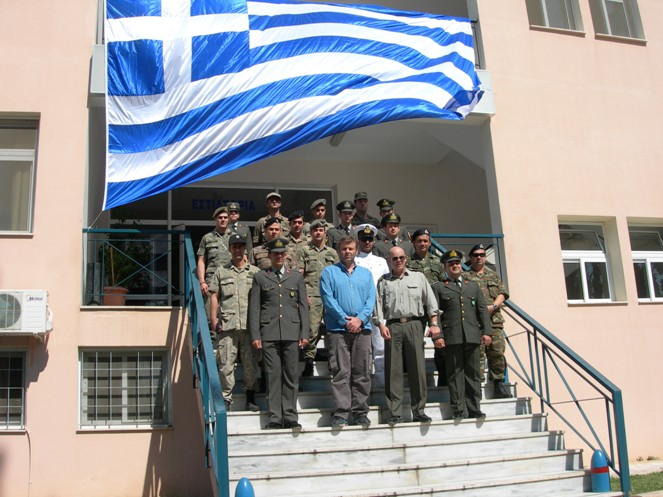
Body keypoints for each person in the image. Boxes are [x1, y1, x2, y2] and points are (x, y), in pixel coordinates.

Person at [249, 237, 310, 429]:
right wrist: (255, 335)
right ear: (269, 255)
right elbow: (255, 308)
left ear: (286, 256)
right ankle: (275, 417)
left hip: (292, 332)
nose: (278, 256)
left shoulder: (296, 277)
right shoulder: (260, 277)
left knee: (291, 375)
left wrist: (305, 332)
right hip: (269, 332)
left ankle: (290, 416)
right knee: (273, 376)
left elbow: (303, 307)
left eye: (282, 253)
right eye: (275, 253)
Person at [374, 246, 439, 425]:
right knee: (393, 371)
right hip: (393, 326)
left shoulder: (419, 278)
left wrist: (433, 324)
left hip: (414, 325)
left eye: (401, 257)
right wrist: (380, 324)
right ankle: (394, 412)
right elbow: (377, 305)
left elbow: (431, 303)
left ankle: (419, 410)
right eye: (394, 258)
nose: (398, 261)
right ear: (389, 260)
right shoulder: (383, 281)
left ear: (406, 258)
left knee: (417, 369)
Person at [320, 236, 376, 427]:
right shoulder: (329, 273)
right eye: (344, 248)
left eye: (351, 248)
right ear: (338, 250)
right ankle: (341, 412)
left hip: (363, 329)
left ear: (356, 249)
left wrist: (360, 319)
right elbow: (328, 300)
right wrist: (346, 321)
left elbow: (371, 300)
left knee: (362, 372)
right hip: (338, 329)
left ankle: (360, 411)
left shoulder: (366, 274)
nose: (347, 252)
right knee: (341, 372)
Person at [432, 249, 492, 420]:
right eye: (451, 264)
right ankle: (458, 407)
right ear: (445, 267)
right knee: (455, 374)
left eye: (457, 263)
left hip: (472, 336)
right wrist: (438, 336)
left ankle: (474, 407)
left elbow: (482, 311)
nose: (455, 266)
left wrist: (486, 332)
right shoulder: (438, 287)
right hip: (452, 337)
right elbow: (435, 313)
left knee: (473, 374)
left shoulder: (472, 285)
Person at [209, 233, 260, 411]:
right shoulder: (221, 271)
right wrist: (213, 319)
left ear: (245, 248)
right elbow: (214, 295)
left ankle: (250, 397)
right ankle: (226, 399)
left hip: (249, 325)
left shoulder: (255, 272)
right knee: (225, 364)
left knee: (250, 363)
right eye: (234, 246)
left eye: (240, 246)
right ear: (230, 249)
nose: (238, 250)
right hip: (227, 325)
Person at [464, 243, 512, 399]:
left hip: (493, 321)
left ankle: (498, 383)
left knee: (497, 352)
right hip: (475, 322)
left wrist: (494, 306)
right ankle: (477, 385)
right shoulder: (465, 277)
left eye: (482, 255)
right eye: (476, 255)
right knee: (476, 355)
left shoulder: (493, 276)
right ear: (470, 258)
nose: (479, 258)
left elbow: (502, 293)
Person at [296, 219, 339, 376]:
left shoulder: (332, 253)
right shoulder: (304, 251)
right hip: (311, 295)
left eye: (321, 230)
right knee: (312, 330)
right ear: (311, 233)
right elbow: (300, 275)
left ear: (325, 233)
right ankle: (308, 361)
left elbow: (337, 277)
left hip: (330, 297)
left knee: (332, 330)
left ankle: (333, 362)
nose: (318, 233)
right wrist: (302, 295)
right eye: (315, 230)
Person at [354, 224, 389, 387]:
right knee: (362, 349)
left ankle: (382, 383)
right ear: (358, 241)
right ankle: (364, 385)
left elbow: (387, 285)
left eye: (369, 239)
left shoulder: (381, 261)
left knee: (381, 347)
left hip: (379, 308)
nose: (367, 242)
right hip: (360, 308)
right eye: (363, 239)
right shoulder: (353, 260)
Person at [197, 206, 231, 311]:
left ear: (228, 219)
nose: (223, 220)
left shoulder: (235, 237)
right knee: (210, 313)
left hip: (230, 278)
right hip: (212, 281)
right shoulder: (207, 238)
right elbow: (201, 261)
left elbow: (242, 258)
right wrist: (202, 282)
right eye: (220, 217)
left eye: (225, 217)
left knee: (229, 312)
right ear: (215, 219)